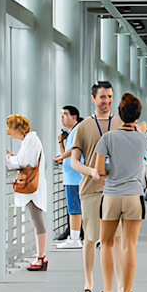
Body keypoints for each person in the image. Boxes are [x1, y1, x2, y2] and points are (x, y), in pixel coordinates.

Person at [92, 93, 147, 292]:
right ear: (138, 116)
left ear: (119, 113)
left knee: (107, 243)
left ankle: (108, 291)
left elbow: (100, 170)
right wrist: (142, 132)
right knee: (130, 245)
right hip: (134, 196)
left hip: (110, 196)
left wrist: (113, 170)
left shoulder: (108, 138)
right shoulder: (144, 138)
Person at [68, 80, 127, 292]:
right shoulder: (83, 127)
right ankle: (88, 283)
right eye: (103, 97)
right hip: (91, 188)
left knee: (118, 238)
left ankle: (122, 287)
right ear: (93, 98)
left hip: (116, 188)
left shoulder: (121, 122)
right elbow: (74, 161)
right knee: (91, 237)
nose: (107, 101)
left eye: (110, 97)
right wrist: (90, 171)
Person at [5, 114, 49, 270]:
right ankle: (40, 256)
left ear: (18, 128)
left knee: (37, 221)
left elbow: (24, 161)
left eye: (9, 127)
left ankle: (40, 257)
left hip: (33, 188)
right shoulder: (29, 140)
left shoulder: (31, 140)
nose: (7, 130)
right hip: (35, 187)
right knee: (36, 220)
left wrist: (8, 159)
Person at [54, 105, 83, 250]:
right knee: (73, 209)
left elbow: (74, 149)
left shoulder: (77, 130)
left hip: (75, 176)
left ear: (74, 116)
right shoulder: (72, 132)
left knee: (75, 209)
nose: (62, 117)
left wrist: (61, 156)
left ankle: (75, 238)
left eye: (65, 114)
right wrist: (61, 144)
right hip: (71, 176)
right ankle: (74, 236)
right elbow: (67, 153)